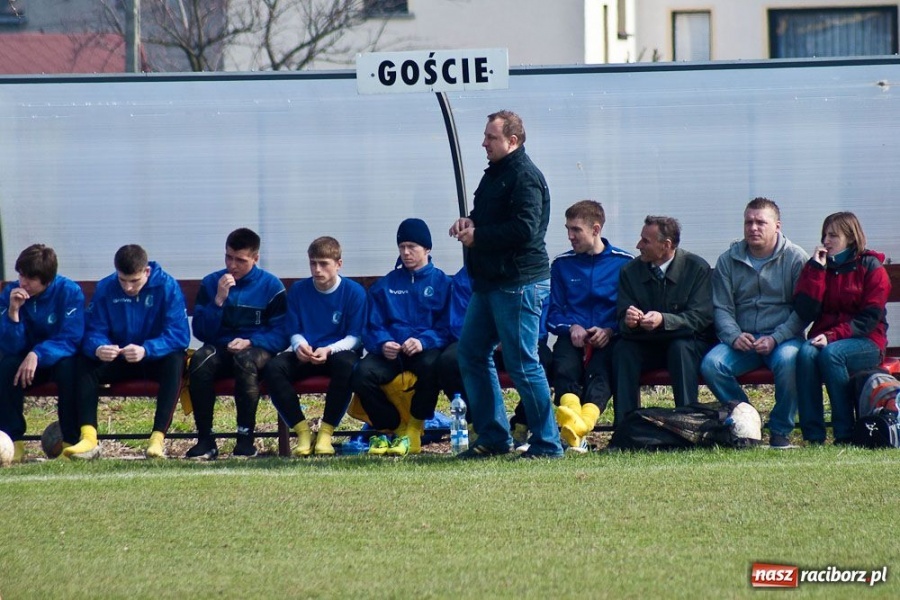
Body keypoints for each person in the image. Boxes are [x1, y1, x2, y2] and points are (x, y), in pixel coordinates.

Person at [449, 109, 563, 459]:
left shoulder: (525, 177)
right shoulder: (496, 173)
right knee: (470, 352)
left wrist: (479, 236)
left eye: (491, 137)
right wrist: (469, 222)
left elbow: (525, 229)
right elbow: (492, 218)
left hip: (518, 283)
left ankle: (548, 443)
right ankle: (494, 437)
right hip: (490, 283)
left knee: (523, 364)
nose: (483, 143)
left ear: (512, 141)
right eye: (485, 136)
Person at [700, 198, 809, 449]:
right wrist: (734, 335)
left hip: (784, 339)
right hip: (743, 340)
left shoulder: (795, 258)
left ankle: (780, 431)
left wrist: (776, 338)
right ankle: (748, 421)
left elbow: (802, 311)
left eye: (761, 222)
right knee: (712, 364)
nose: (753, 228)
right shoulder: (728, 260)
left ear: (777, 226)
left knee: (789, 361)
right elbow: (722, 307)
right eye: (748, 222)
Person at [72, 244, 190, 459]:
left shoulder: (167, 286)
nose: (127, 287)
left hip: (153, 359)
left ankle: (157, 439)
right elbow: (93, 330)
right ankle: (88, 438)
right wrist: (100, 347)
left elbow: (179, 335)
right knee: (84, 363)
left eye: (134, 281)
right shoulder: (106, 287)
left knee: (176, 361)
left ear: (147, 271)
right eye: (122, 280)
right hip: (119, 358)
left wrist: (147, 349)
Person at [351, 218, 451, 456]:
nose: (406, 252)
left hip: (423, 350)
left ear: (427, 248)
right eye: (402, 247)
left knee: (433, 366)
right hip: (391, 352)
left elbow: (448, 326)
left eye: (412, 247)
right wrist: (383, 343)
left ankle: (415, 428)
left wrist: (424, 341)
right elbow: (372, 325)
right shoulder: (385, 285)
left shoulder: (443, 283)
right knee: (361, 374)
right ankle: (395, 428)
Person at [185, 228, 287, 460]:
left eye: (240, 260)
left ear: (255, 258)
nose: (232, 265)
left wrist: (251, 341)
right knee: (200, 360)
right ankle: (205, 440)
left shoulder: (271, 286)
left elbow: (281, 334)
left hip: (256, 348)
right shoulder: (212, 283)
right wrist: (218, 300)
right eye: (228, 257)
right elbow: (200, 331)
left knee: (245, 361)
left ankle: (245, 441)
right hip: (221, 347)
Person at [263, 236, 366, 457]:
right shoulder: (299, 290)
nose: (317, 270)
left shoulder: (354, 292)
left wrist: (329, 349)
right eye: (313, 263)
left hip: (337, 353)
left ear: (338, 264)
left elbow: (356, 337)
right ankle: (302, 432)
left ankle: (326, 433)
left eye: (323, 263)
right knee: (273, 368)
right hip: (307, 354)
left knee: (347, 365)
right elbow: (293, 329)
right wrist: (300, 345)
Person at [794, 212, 891, 445]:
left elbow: (869, 318)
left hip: (867, 341)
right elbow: (806, 311)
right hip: (827, 338)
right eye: (824, 235)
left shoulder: (871, 267)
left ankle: (844, 433)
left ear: (850, 238)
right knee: (806, 353)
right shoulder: (819, 267)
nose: (826, 241)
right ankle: (813, 436)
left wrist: (832, 336)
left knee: (832, 354)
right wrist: (816, 271)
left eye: (833, 236)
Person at [547, 200, 633, 451]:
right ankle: (576, 427)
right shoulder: (562, 265)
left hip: (610, 339)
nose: (570, 236)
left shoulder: (624, 263)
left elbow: (631, 311)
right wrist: (571, 326)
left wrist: (610, 330)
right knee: (564, 366)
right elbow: (552, 312)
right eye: (567, 229)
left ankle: (581, 426)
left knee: (601, 372)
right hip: (572, 338)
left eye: (576, 230)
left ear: (596, 229)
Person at [613, 216, 715, 426]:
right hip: (647, 343)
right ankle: (626, 427)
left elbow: (701, 318)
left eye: (645, 241)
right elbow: (621, 320)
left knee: (680, 349)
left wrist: (664, 320)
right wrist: (629, 321)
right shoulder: (629, 271)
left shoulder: (696, 268)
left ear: (666, 245)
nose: (638, 245)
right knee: (623, 350)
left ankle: (687, 424)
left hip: (687, 343)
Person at [437, 265, 553, 448]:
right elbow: (458, 324)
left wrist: (508, 339)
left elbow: (540, 325)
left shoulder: (528, 273)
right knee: (451, 359)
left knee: (543, 358)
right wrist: (493, 339)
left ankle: (524, 425)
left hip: (517, 341)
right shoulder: (466, 277)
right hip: (482, 344)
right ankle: (479, 424)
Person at [0, 244, 84, 463]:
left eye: (30, 278)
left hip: (57, 360)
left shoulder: (69, 291)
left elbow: (71, 339)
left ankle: (69, 442)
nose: (23, 282)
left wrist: (37, 354)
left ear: (47, 280)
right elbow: (10, 347)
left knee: (70, 369)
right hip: (25, 365)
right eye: (21, 275)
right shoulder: (10, 293)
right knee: (7, 366)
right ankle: (12, 442)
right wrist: (13, 313)